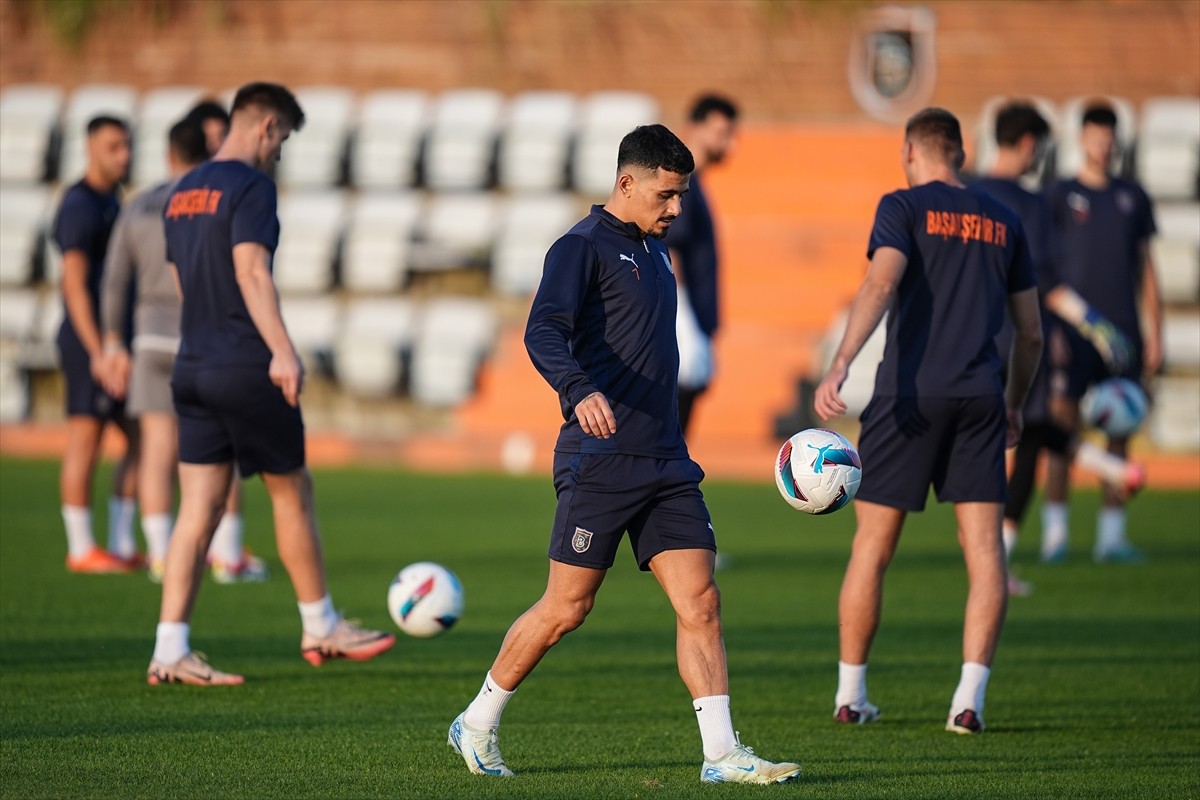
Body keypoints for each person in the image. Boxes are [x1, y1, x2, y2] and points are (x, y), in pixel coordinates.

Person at [446, 124, 801, 784]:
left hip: (666, 460)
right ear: (627, 183)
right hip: (601, 458)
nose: (676, 210)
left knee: (701, 602)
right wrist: (578, 391)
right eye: (666, 196)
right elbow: (542, 330)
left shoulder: (655, 252)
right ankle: (476, 722)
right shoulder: (579, 248)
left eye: (682, 198)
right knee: (566, 610)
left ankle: (722, 755)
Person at [146, 82, 394, 686]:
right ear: (266, 127)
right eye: (281, 138)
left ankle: (170, 649)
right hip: (242, 363)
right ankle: (320, 624)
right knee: (291, 490)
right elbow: (251, 270)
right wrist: (281, 350)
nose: (279, 151)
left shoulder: (182, 192)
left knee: (198, 509)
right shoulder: (252, 186)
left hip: (192, 364)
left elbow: (184, 283)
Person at [814, 108, 1043, 734]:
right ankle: (968, 702)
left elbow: (880, 284)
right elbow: (1030, 332)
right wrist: (1016, 403)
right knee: (984, 554)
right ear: (961, 154)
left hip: (907, 398)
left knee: (873, 547)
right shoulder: (1005, 219)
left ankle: (851, 696)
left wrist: (839, 365)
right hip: (980, 398)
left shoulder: (903, 206)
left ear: (911, 149)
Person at [973, 102, 1145, 596]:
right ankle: (994, 569)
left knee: (1002, 446)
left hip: (961, 344)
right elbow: (1046, 284)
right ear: (1030, 144)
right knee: (1024, 441)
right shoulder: (1030, 204)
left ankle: (995, 567)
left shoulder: (962, 192)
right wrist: (1095, 325)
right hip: (1015, 343)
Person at [99, 114, 266, 584]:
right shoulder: (219, 200)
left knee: (155, 446)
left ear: (170, 153)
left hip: (150, 336)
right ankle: (228, 556)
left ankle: (158, 553)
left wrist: (113, 340)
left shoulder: (139, 206)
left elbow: (115, 281)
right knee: (225, 444)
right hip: (206, 336)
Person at [1042, 101, 1162, 564]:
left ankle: (1111, 537)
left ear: (1118, 141)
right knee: (1061, 428)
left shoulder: (1133, 197)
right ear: (1082, 139)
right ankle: (1057, 533)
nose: (1103, 144)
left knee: (1121, 429)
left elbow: (1146, 269)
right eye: (1095, 136)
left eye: (1109, 137)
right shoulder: (1059, 195)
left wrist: (1155, 331)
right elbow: (1045, 269)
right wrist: (1049, 326)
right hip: (1071, 334)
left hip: (1124, 333)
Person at [52, 115, 140, 574]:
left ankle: (122, 543)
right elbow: (74, 285)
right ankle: (81, 547)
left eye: (126, 146)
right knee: (86, 439)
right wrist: (98, 349)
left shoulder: (114, 199)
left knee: (142, 437)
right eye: (113, 147)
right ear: (90, 148)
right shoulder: (79, 205)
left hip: (117, 343)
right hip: (89, 343)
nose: (123, 155)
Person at [664, 94, 738, 436]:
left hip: (694, 321)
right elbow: (669, 247)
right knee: (669, 439)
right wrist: (683, 321)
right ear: (694, 128)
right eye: (722, 132)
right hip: (679, 323)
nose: (730, 143)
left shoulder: (699, 185)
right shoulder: (682, 185)